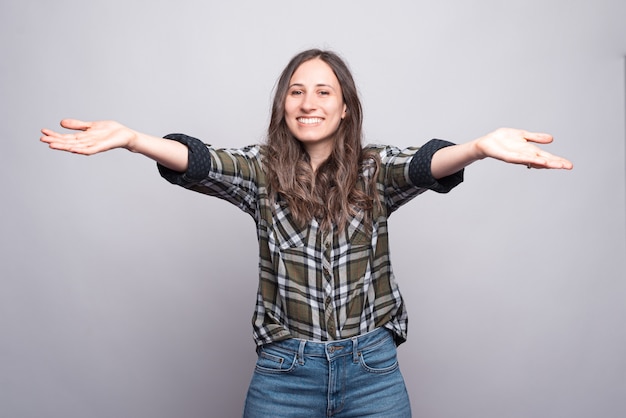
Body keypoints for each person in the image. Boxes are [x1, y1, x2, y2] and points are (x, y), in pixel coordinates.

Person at [41, 49, 573, 418]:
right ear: (283, 105)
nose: (308, 102)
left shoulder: (373, 171)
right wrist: (135, 139)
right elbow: (204, 162)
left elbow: (421, 165)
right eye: (296, 91)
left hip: (371, 370)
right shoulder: (263, 173)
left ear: (345, 108)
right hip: (284, 372)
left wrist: (477, 148)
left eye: (323, 91)